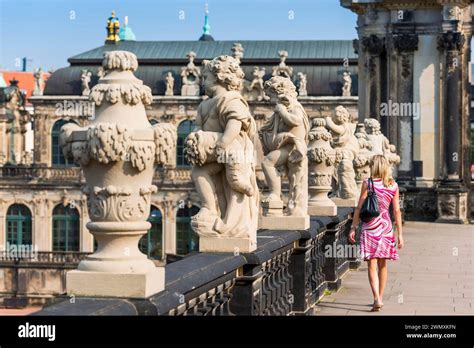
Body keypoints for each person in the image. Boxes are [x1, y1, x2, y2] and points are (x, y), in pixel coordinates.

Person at [349, 154, 404, 312]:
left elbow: (359, 207)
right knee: (383, 265)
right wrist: (400, 234)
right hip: (386, 227)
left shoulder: (368, 183)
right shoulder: (393, 185)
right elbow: (397, 211)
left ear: (374, 166)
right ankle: (380, 297)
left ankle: (376, 298)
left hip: (370, 226)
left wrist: (353, 227)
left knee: (371, 265)